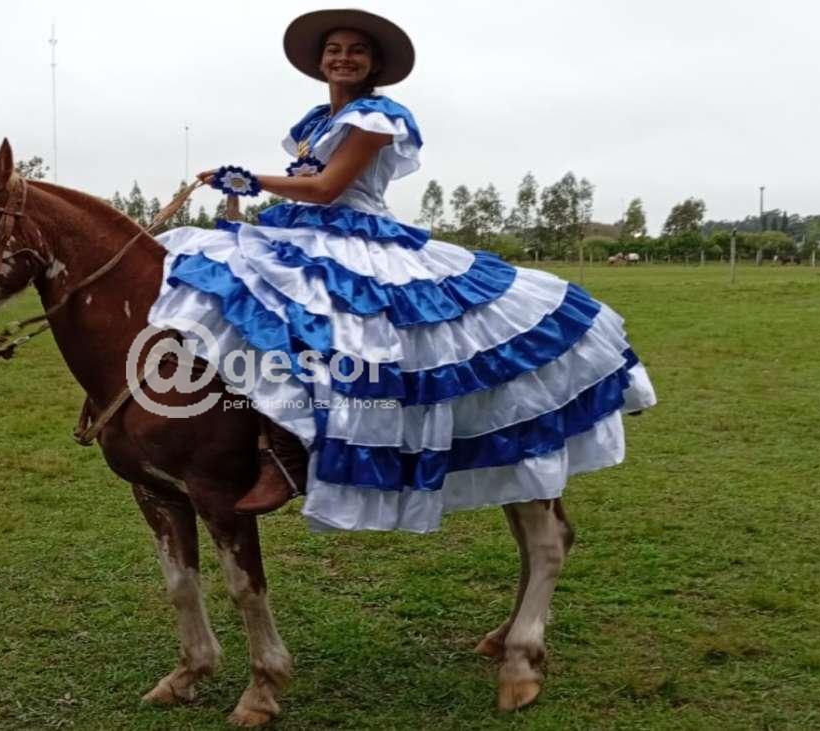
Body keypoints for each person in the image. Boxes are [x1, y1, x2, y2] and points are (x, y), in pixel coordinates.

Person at [148, 9, 656, 532]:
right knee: (232, 291)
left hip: (355, 235)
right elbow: (310, 188)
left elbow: (328, 188)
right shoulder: (315, 122)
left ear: (374, 65)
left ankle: (290, 452)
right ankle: (238, 430)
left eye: (356, 51)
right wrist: (242, 192)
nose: (344, 58)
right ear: (321, 62)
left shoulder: (377, 116)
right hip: (307, 229)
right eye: (334, 50)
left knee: (343, 338)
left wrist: (251, 180)